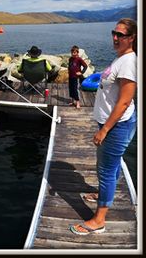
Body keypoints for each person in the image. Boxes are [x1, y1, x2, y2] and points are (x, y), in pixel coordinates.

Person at [70, 18, 137, 236]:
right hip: (112, 123)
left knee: (106, 171)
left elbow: (125, 101)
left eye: (121, 35)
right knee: (111, 166)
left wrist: (104, 129)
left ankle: (99, 220)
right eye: (114, 33)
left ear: (132, 38)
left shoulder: (129, 62)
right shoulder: (121, 58)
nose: (115, 38)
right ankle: (102, 194)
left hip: (116, 127)